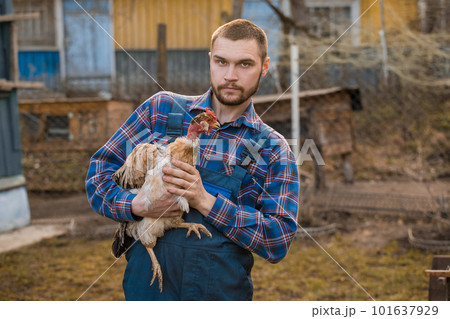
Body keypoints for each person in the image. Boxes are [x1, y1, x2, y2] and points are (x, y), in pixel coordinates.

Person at [86, 19, 299, 301]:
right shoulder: (160, 111)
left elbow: (278, 239)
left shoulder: (272, 148)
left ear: (264, 67)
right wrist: (138, 205)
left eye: (244, 64)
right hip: (148, 293)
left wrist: (206, 201)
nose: (230, 75)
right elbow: (98, 175)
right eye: (221, 62)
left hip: (218, 297)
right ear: (210, 61)